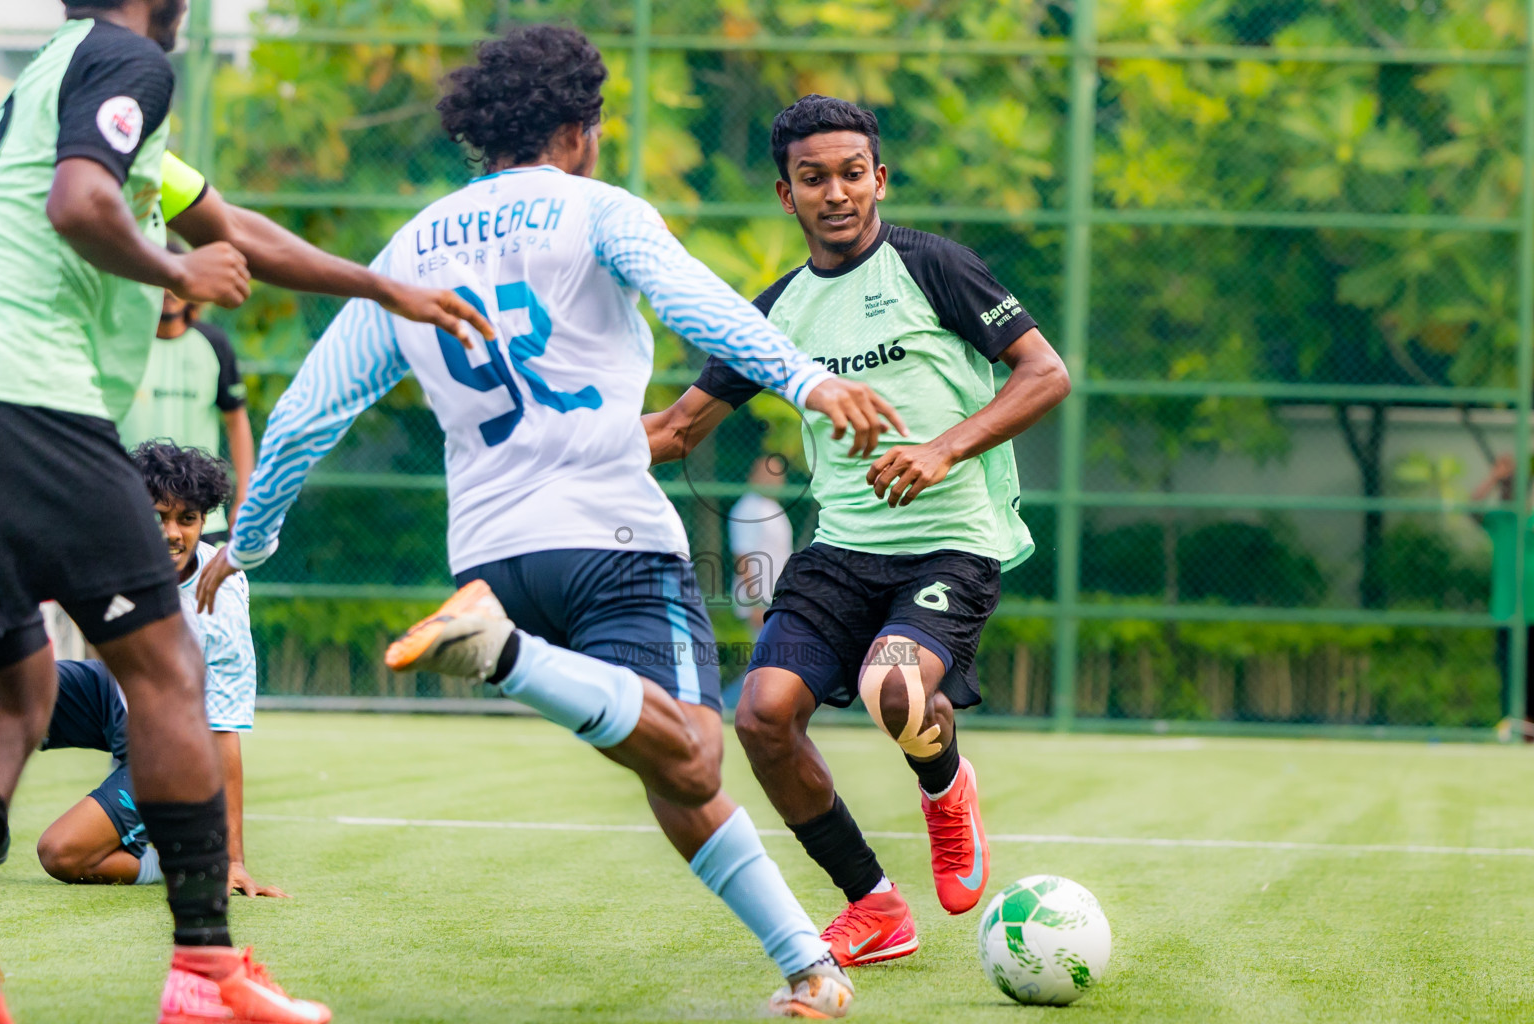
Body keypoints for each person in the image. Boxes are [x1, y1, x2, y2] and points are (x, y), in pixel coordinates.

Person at [195, 25, 903, 1020]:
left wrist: (250, 539)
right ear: (578, 130)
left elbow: (314, 405)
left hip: (492, 552)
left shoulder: (410, 245)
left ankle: (807, 968)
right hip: (612, 536)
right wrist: (807, 378)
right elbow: (697, 301)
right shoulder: (598, 208)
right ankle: (502, 655)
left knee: (668, 764)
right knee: (696, 752)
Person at [0, 3, 491, 1021]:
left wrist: (382, 288)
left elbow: (235, 228)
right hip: (37, 405)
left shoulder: (53, 77)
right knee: (173, 670)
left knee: (17, 697)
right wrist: (177, 270)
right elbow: (81, 203)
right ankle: (206, 977)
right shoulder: (128, 57)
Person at [643, 95, 1071, 968]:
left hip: (951, 538)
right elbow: (679, 430)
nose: (835, 193)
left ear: (879, 178)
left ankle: (945, 788)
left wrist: (943, 449)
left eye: (850, 173)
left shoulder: (934, 267)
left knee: (895, 687)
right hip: (840, 550)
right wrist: (559, 436)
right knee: (762, 716)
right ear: (785, 194)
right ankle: (874, 904)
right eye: (813, 178)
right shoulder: (777, 312)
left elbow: (1045, 373)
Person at [36, 441, 281, 897]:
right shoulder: (112, 555)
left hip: (175, 746)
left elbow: (223, 732)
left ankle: (163, 859)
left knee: (62, 852)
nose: (171, 532)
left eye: (186, 519)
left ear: (203, 521)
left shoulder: (219, 604)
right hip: (118, 696)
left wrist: (230, 862)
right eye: (157, 517)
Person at [119, 249, 254, 543]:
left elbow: (237, 420)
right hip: (132, 512)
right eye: (159, 278)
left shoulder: (213, 343)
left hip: (200, 516)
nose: (168, 289)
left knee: (206, 590)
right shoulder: (122, 343)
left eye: (177, 278)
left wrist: (245, 494)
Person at [1473, 454, 1534, 733]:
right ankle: (1514, 727)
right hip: (1507, 612)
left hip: (1532, 615)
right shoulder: (1501, 522)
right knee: (1510, 675)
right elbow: (1471, 508)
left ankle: (1529, 731)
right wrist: (1496, 478)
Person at [730, 454, 797, 636]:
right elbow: (742, 556)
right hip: (760, 603)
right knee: (763, 659)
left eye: (778, 474)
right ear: (754, 476)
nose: (775, 479)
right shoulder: (748, 508)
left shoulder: (773, 507)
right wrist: (755, 604)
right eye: (768, 473)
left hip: (778, 599)